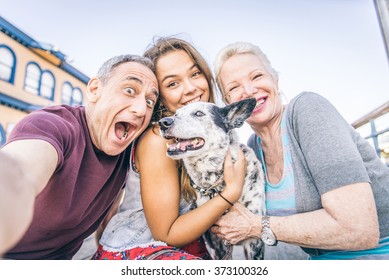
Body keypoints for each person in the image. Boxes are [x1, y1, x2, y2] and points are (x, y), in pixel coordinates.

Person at [211, 41, 389, 260]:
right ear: (229, 103)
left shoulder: (307, 110)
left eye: (257, 76)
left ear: (275, 80)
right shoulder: (254, 146)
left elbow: (359, 228)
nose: (248, 91)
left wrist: (256, 226)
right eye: (234, 87)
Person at [92, 37, 247, 260]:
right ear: (160, 97)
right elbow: (167, 234)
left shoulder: (208, 137)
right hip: (141, 248)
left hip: (186, 247)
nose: (191, 88)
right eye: (173, 83)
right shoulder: (158, 140)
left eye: (195, 74)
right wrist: (230, 193)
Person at [0, 54, 159, 259]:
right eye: (129, 90)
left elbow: (108, 222)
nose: (140, 109)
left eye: (149, 101)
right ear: (94, 90)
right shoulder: (51, 125)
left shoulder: (127, 152)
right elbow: (18, 175)